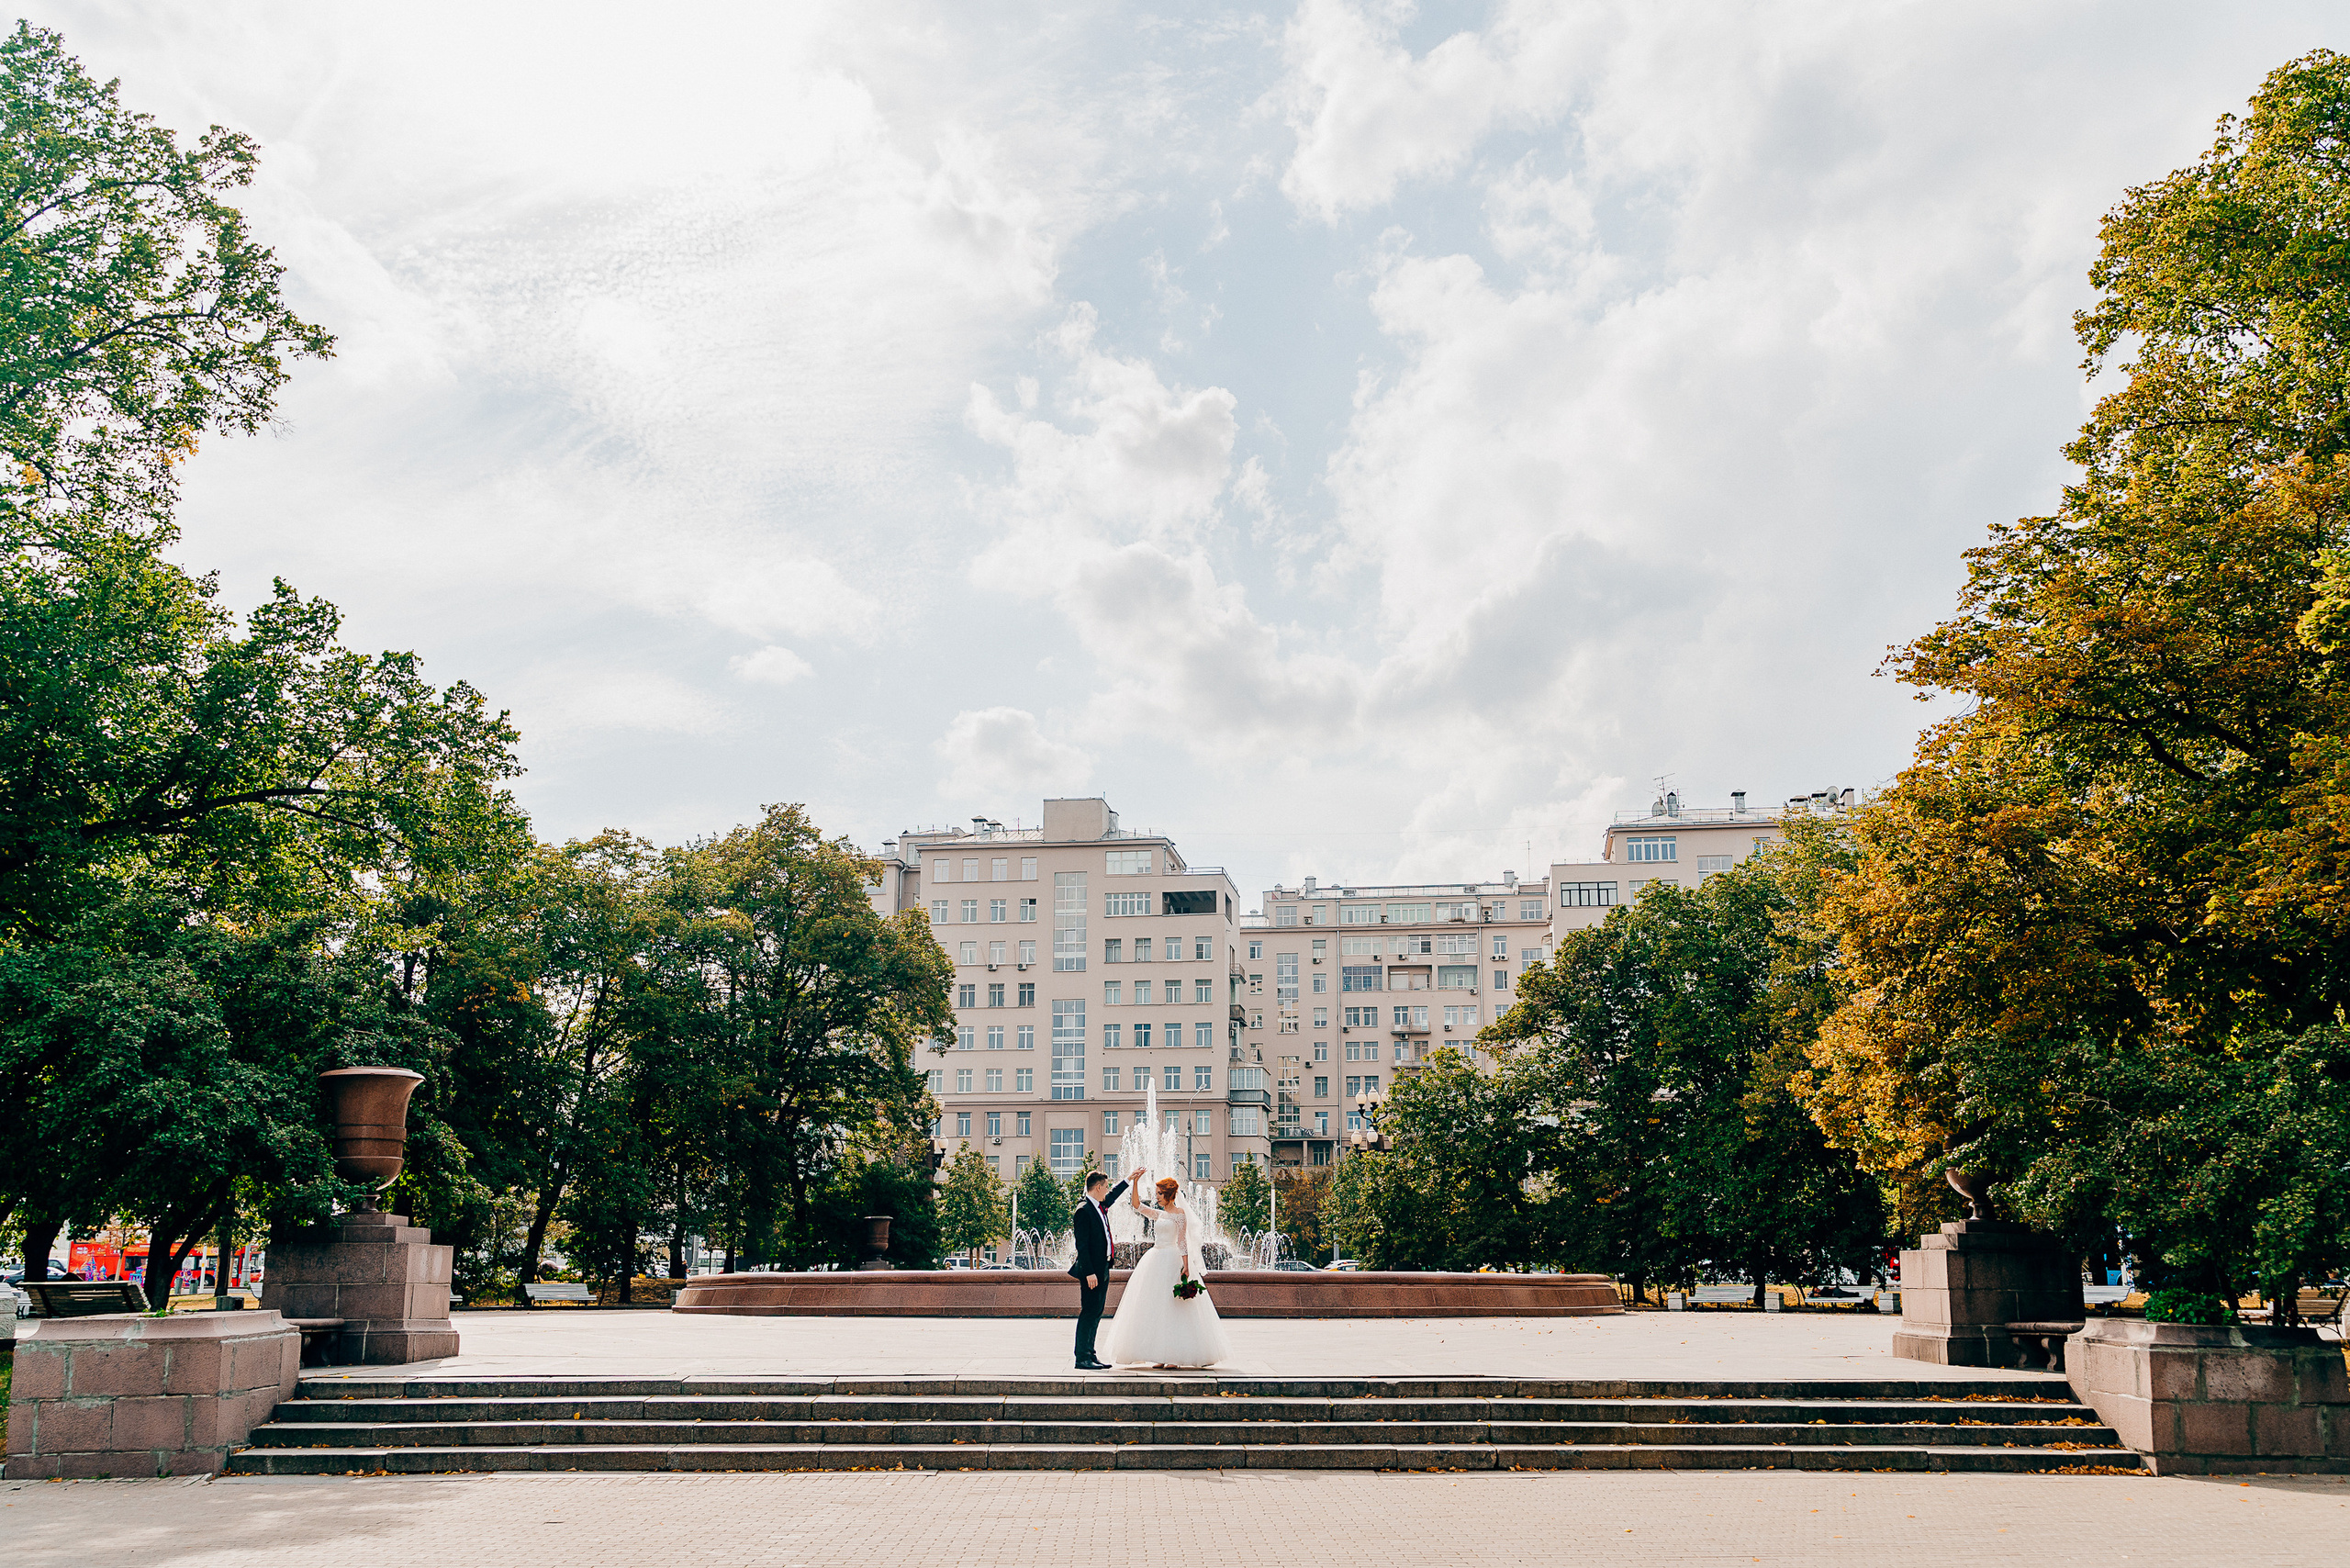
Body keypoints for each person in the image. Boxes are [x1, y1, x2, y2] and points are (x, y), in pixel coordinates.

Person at [1102, 1175, 1231, 1369]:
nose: (1157, 1198)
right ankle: (1160, 1355)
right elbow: (1137, 1205)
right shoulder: (1159, 1214)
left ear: (1170, 1195)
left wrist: (1186, 1265)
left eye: (1160, 1194)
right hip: (1155, 1259)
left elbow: (1181, 1241)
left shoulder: (1179, 1214)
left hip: (1172, 1259)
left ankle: (1174, 1356)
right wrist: (1135, 1182)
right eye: (1157, 1194)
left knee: (1174, 1307)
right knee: (1156, 1307)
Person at [1067, 1168, 1138, 1370]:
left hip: (1102, 1268)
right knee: (1089, 1312)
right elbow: (1081, 1245)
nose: (1107, 1190)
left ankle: (1091, 1354)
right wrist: (1089, 1272)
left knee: (1096, 1312)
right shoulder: (1084, 1210)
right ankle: (1082, 1358)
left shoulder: (1099, 1205)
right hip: (1092, 1272)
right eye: (1105, 1187)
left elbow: (1114, 1195)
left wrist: (1128, 1179)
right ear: (1098, 1187)